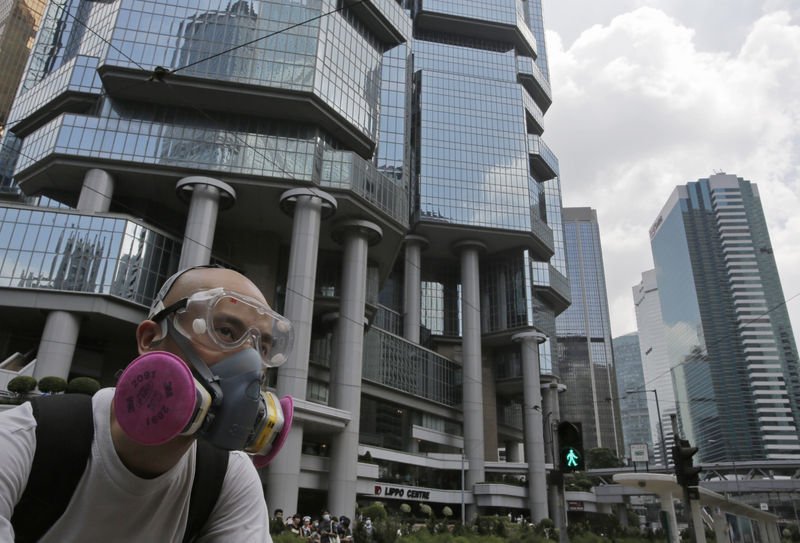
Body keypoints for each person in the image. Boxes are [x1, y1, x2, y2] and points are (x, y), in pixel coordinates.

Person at [0, 266, 294, 541]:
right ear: (150, 338)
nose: (251, 362)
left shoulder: (228, 476)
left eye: (263, 347)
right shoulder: (22, 441)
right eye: (226, 332)